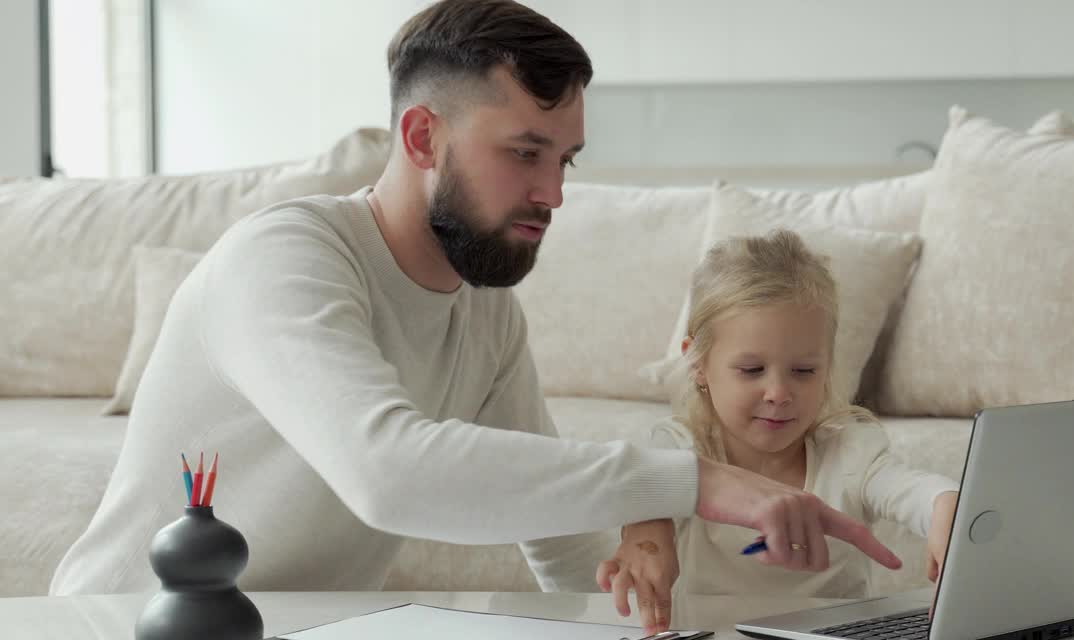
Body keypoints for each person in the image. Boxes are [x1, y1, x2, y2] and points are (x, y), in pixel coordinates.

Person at [51, 0, 898, 596]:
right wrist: (690, 481)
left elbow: (566, 549)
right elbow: (388, 471)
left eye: (563, 160)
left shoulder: (483, 310)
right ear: (423, 137)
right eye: (524, 153)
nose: (553, 194)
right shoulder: (284, 258)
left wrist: (669, 609)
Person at [598, 230, 960, 634]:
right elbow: (647, 489)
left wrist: (944, 504)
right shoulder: (680, 448)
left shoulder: (849, 451)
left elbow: (915, 491)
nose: (779, 393)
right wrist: (647, 532)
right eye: (752, 370)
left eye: (804, 371)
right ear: (698, 364)